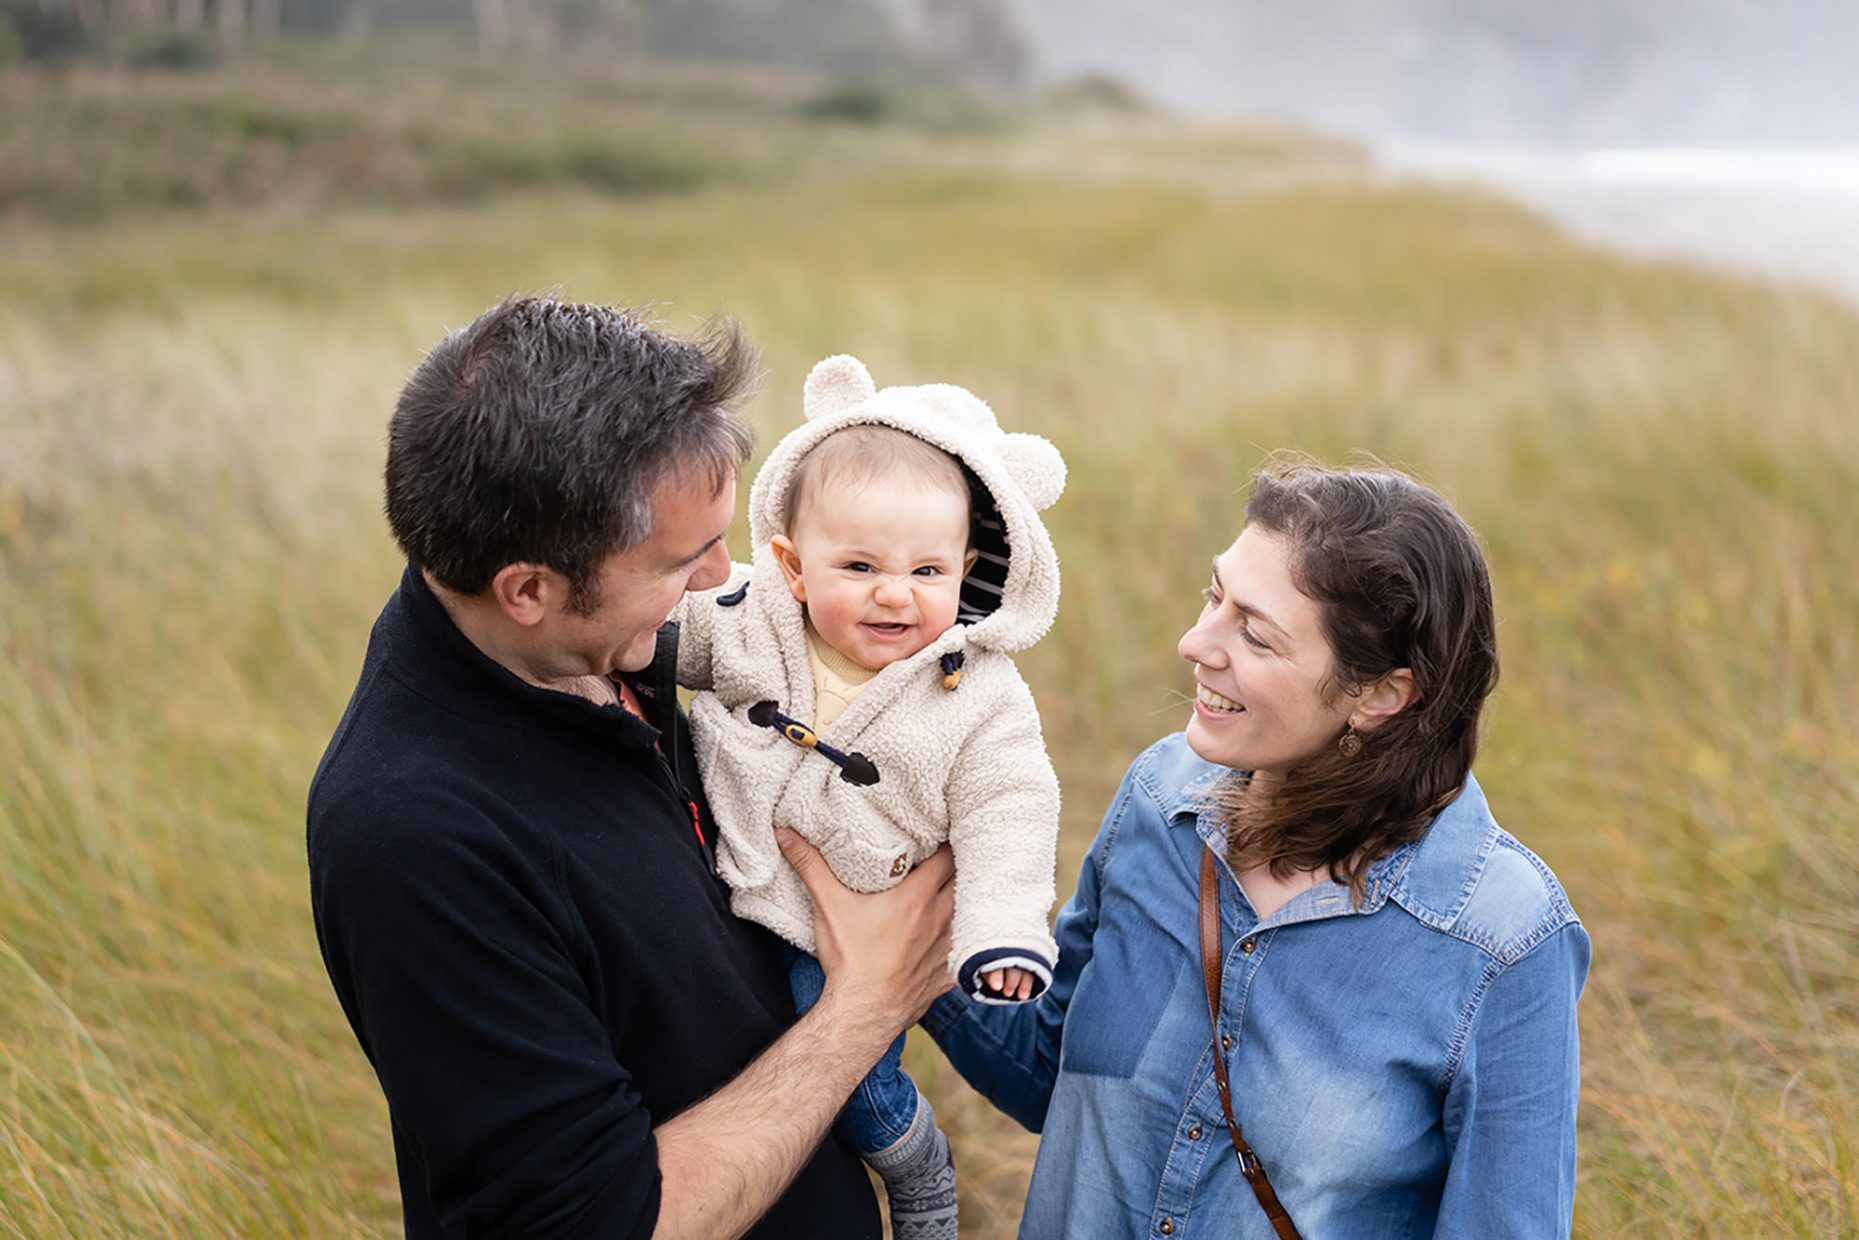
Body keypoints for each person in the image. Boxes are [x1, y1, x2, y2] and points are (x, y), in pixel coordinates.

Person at [306, 295, 955, 1239]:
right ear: (528, 590)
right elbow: (602, 1221)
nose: (723, 578)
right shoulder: (411, 837)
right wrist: (865, 1008)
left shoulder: (600, 646)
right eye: (683, 559)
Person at [925, 461, 1591, 1238]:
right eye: (1215, 597)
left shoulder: (1502, 940)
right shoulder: (1158, 800)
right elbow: (1048, 1071)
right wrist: (894, 910)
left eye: (1255, 633)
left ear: (1379, 695)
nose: (1194, 643)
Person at [673, 355, 1067, 1238]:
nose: (895, 594)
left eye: (928, 572)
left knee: (841, 1071)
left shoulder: (978, 693)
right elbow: (651, 632)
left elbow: (1010, 808)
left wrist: (1001, 926)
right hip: (741, 891)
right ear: (791, 563)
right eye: (858, 565)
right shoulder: (750, 619)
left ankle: (915, 1165)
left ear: (966, 570)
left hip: (866, 916)